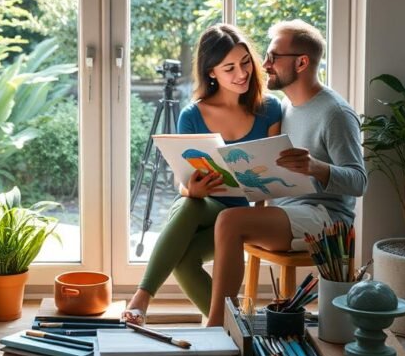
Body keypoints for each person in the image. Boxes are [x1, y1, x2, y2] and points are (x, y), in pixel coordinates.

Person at [205, 20, 367, 326]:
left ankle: (216, 326)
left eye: (273, 56)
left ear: (302, 62)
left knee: (229, 221)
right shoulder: (286, 106)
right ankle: (225, 322)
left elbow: (359, 182)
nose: (264, 64)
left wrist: (317, 167)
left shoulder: (335, 114)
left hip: (325, 218)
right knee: (219, 212)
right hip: (288, 209)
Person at [123, 24, 282, 324]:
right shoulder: (192, 115)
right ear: (212, 73)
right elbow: (182, 183)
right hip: (204, 207)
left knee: (183, 264)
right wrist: (191, 190)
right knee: (188, 203)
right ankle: (145, 299)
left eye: (246, 62)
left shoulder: (270, 109)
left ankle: (223, 326)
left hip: (242, 215)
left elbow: (271, 177)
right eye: (229, 68)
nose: (242, 73)